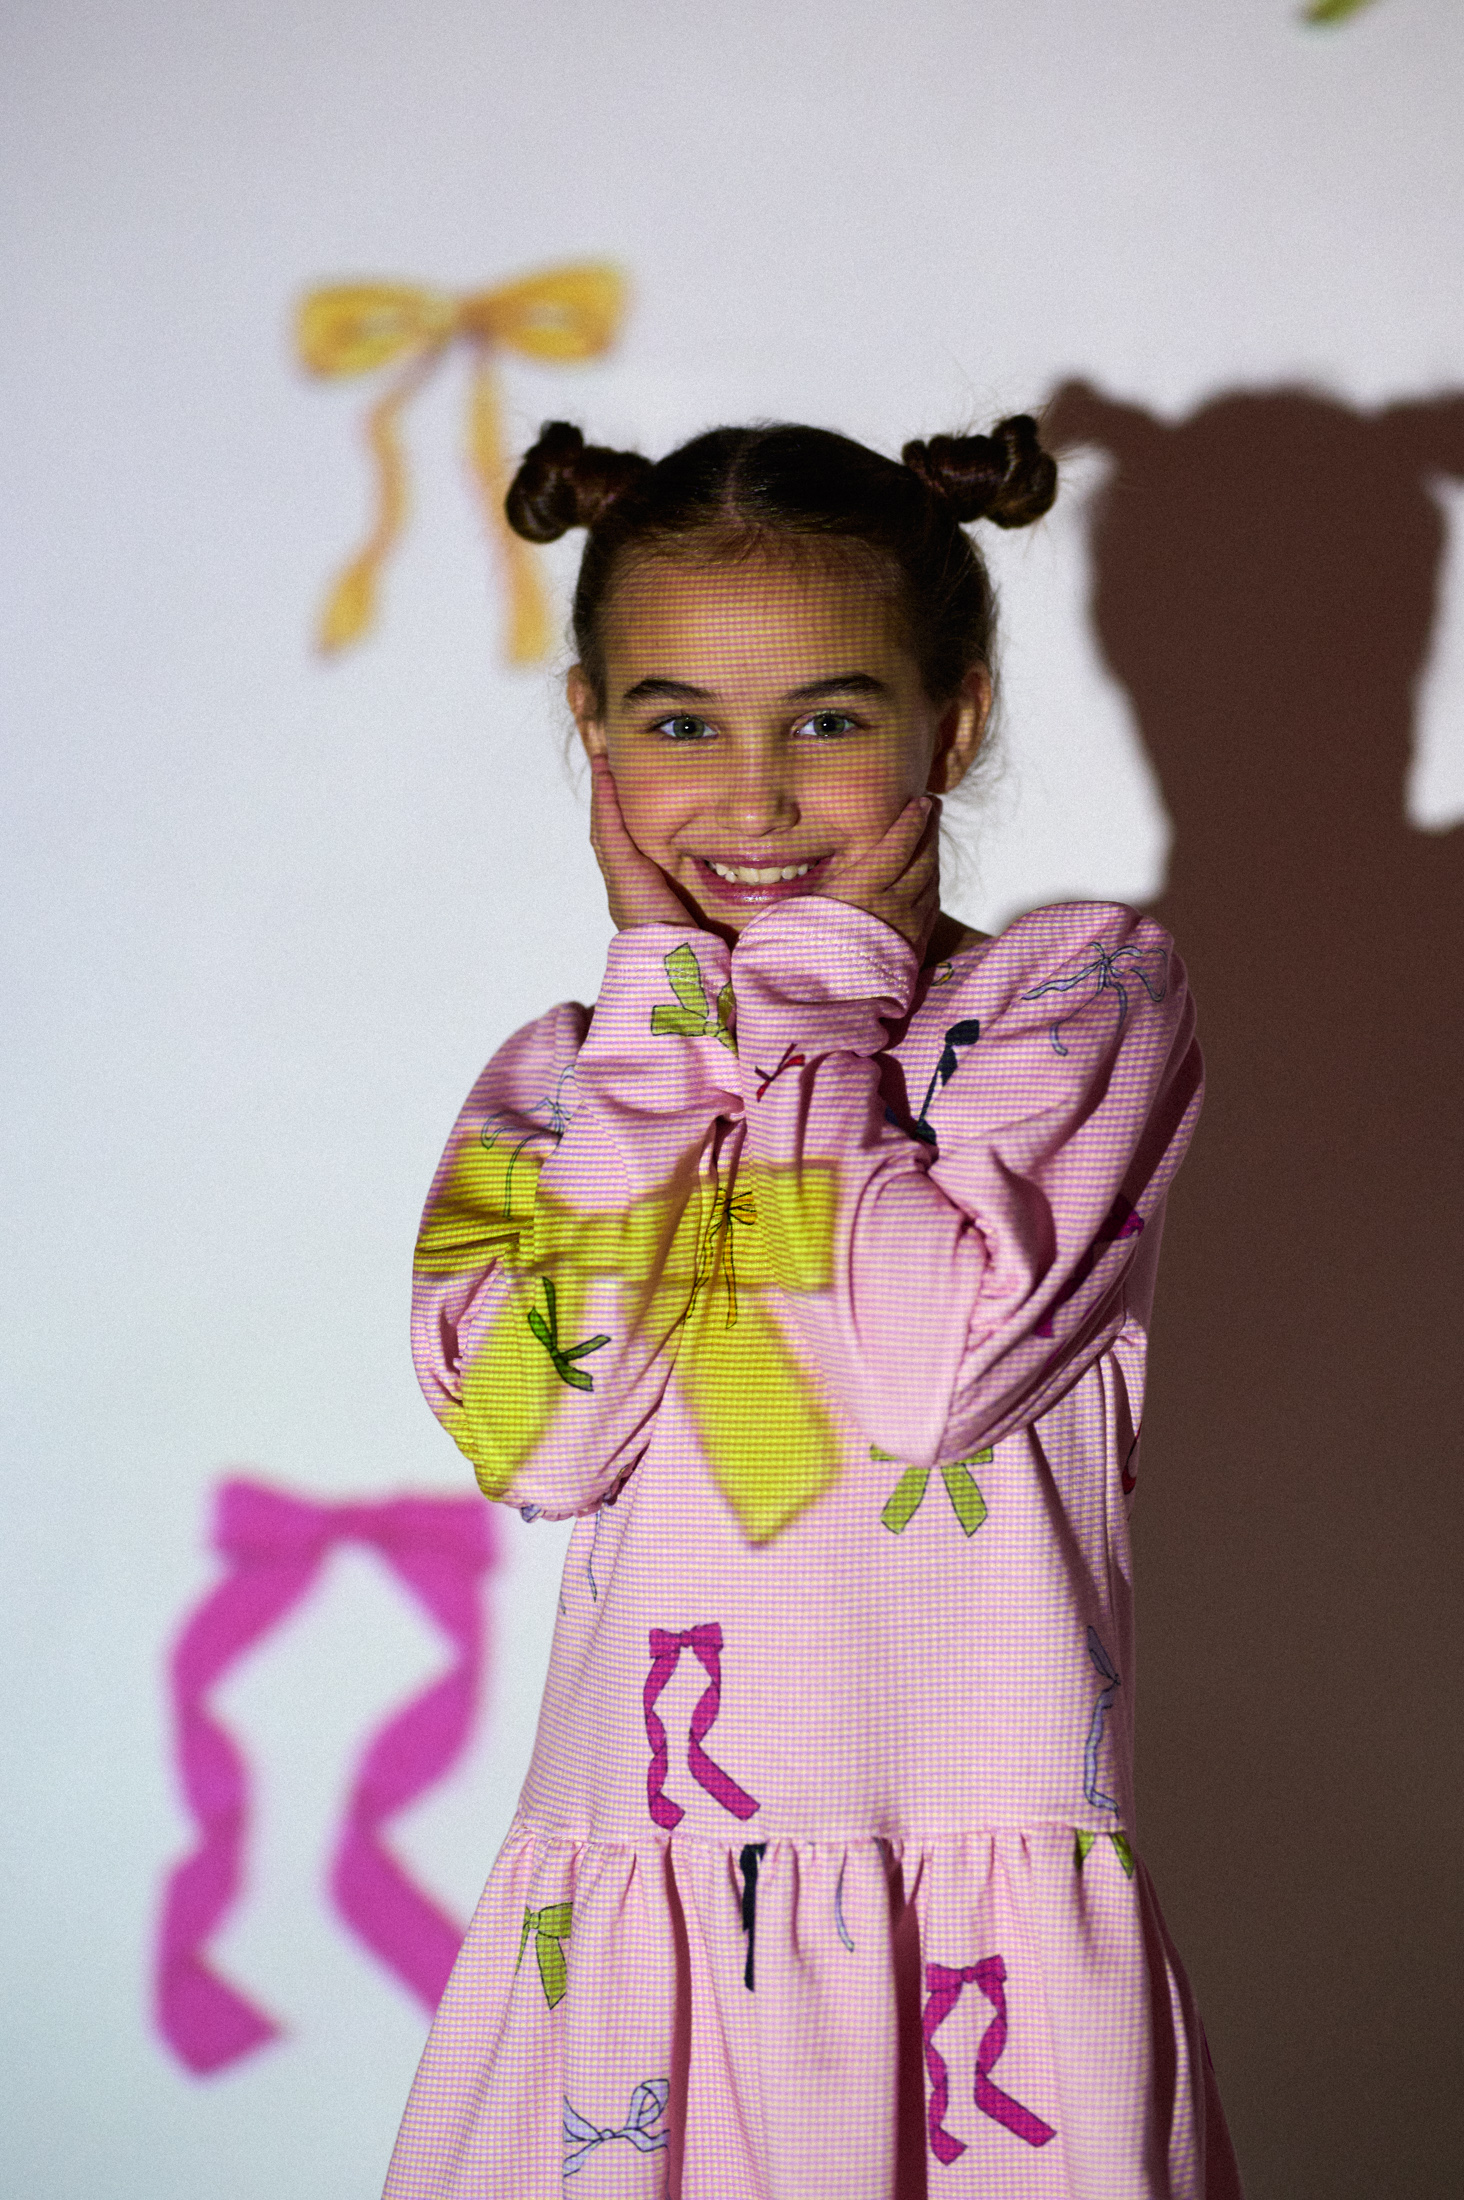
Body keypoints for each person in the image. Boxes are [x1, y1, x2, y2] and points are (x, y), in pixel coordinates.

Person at [382, 415, 1243, 2199]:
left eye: (830, 722)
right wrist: (663, 1028)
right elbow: (541, 1440)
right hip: (642, 1967)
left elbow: (924, 1380)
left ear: (956, 722)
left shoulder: (1077, 1000)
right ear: (594, 732)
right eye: (681, 723)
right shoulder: (561, 1085)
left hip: (973, 1963)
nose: (756, 796)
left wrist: (823, 1005)